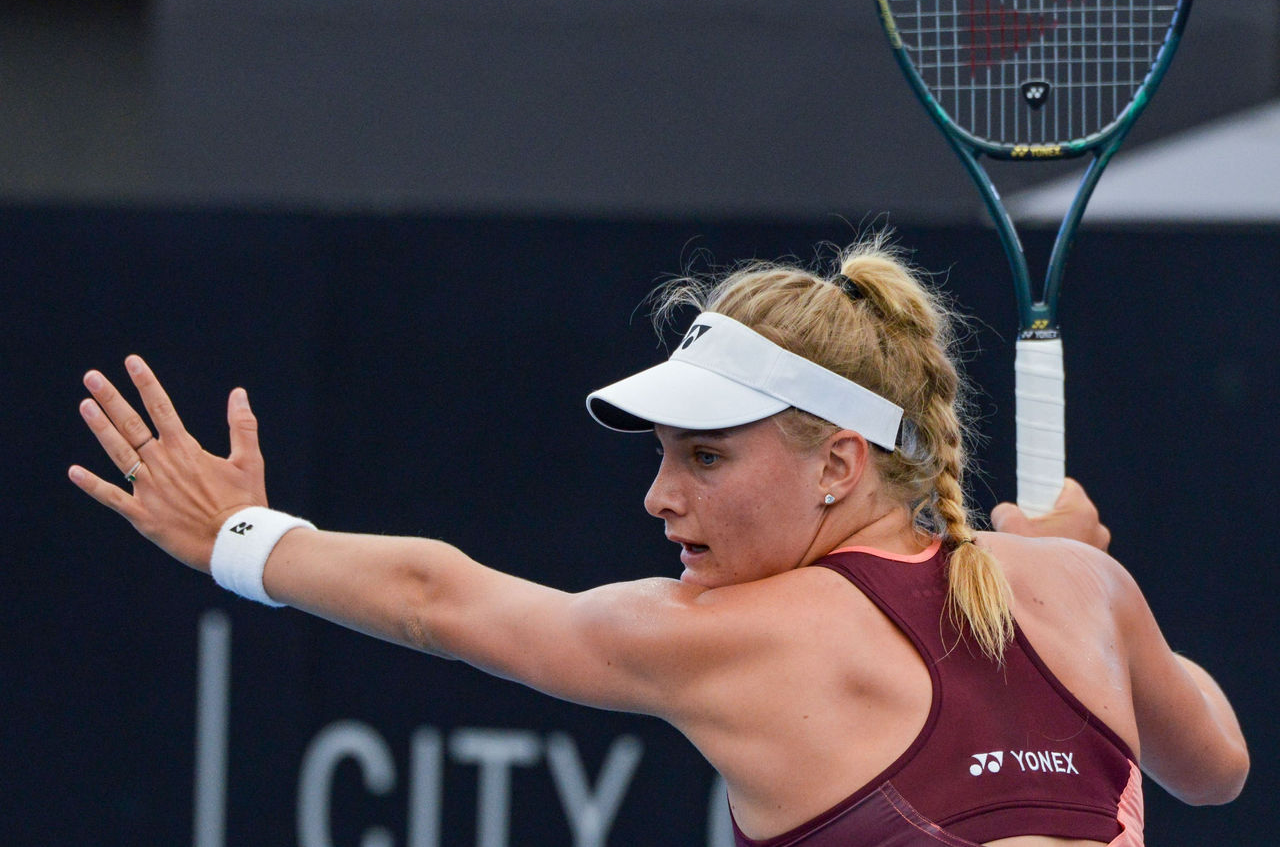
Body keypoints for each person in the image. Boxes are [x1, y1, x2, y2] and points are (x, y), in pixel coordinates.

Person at [69, 237, 1247, 847]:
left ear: (837, 463)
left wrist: (234, 534)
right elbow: (1213, 765)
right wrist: (1082, 570)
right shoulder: (1082, 584)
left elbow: (438, 597)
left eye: (705, 457)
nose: (658, 496)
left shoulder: (732, 638)